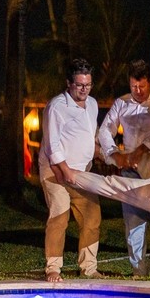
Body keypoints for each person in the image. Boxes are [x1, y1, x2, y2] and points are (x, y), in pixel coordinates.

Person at [98, 60, 150, 277]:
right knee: (133, 220)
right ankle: (138, 269)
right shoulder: (121, 103)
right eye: (134, 87)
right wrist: (114, 153)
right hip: (131, 171)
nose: (138, 91)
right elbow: (105, 130)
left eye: (142, 86)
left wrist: (141, 150)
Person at [40, 58, 103, 282]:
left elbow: (90, 137)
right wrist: (65, 171)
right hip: (55, 171)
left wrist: (102, 153)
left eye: (88, 84)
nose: (84, 89)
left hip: (82, 172)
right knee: (60, 215)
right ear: (69, 83)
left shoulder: (93, 104)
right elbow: (52, 145)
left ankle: (88, 267)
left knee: (92, 216)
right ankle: (53, 268)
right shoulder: (57, 106)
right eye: (79, 85)